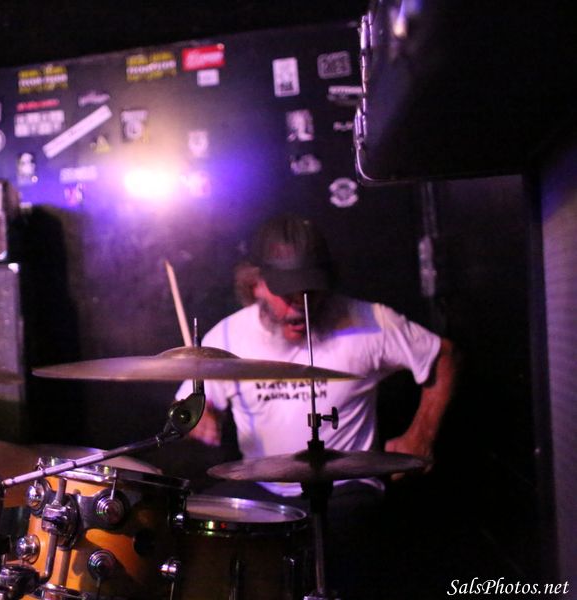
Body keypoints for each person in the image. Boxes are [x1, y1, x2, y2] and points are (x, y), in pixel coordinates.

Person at [175, 213, 458, 599]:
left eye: (311, 292)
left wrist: (420, 436)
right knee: (197, 528)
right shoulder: (228, 335)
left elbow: (444, 355)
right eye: (288, 295)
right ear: (256, 284)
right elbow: (190, 407)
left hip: (347, 486)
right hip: (262, 486)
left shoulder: (370, 322)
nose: (301, 306)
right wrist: (201, 417)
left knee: (344, 542)